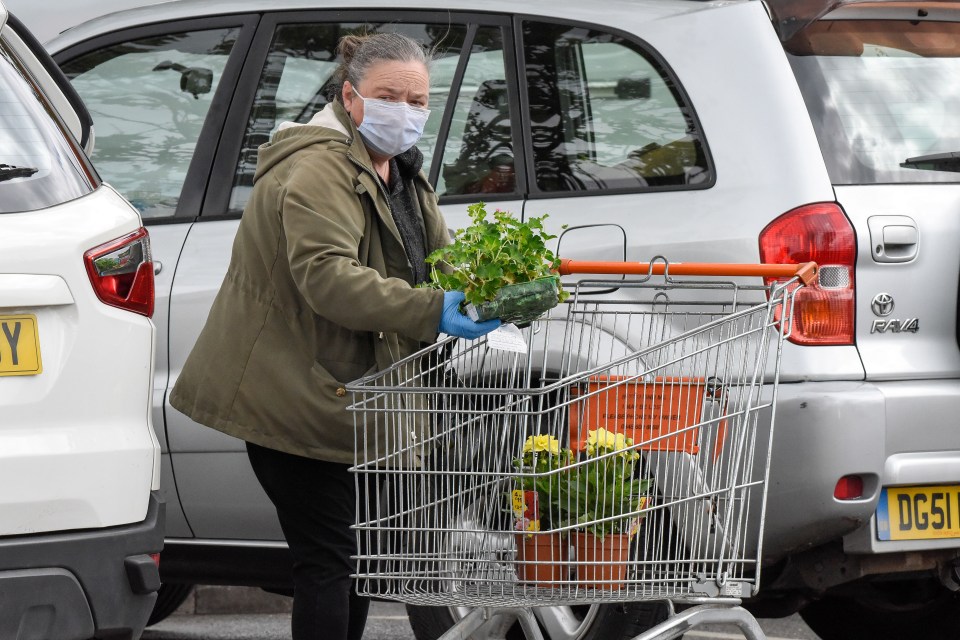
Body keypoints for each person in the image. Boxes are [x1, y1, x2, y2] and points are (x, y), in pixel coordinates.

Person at [169, 31, 500, 640]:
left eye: (418, 100)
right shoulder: (318, 169)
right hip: (296, 396)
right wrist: (433, 311)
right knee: (329, 561)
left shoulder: (399, 170)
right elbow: (328, 278)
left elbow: (435, 259)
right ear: (351, 97)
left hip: (349, 398)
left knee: (349, 563)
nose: (406, 111)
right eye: (389, 96)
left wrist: (492, 290)